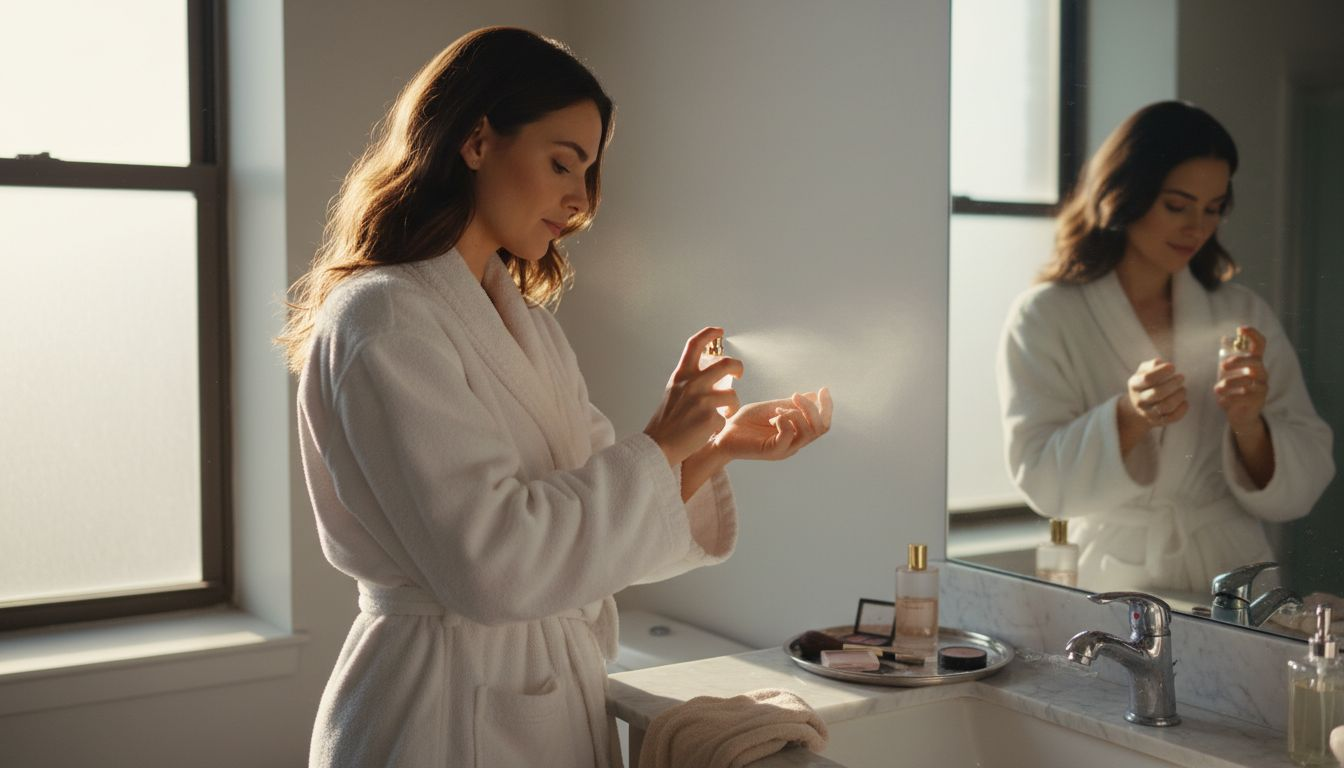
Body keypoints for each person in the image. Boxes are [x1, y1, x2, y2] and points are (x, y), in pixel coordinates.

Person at [276, 27, 833, 768]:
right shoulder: (382, 316)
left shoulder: (525, 327)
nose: (580, 199)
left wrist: (715, 444)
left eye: (590, 172)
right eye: (562, 163)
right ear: (477, 141)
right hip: (434, 713)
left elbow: (592, 538)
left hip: (540, 701)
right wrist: (663, 441)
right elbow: (493, 565)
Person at [997, 100, 1333, 594]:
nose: (1197, 227)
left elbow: (1306, 481)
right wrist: (1131, 416)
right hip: (1114, 579)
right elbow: (1040, 479)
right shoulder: (1045, 315)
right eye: (1177, 205)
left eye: (1213, 209)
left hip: (1232, 576)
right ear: (1126, 193)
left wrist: (1249, 426)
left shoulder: (1242, 314)